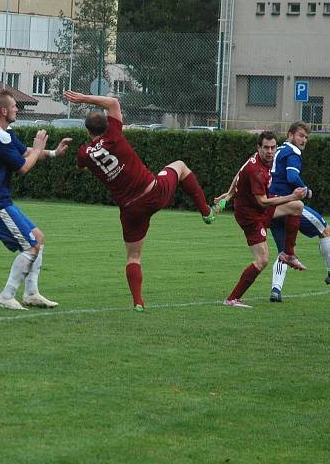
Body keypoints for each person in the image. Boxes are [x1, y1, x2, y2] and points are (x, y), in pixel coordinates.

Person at [62, 90, 216, 311]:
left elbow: (81, 166)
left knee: (134, 256)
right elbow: (113, 102)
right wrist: (84, 99)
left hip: (130, 209)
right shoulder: (114, 133)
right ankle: (206, 212)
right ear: (108, 124)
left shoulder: (84, 153)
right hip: (152, 193)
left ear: (87, 131)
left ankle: (138, 301)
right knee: (180, 165)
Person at [0, 90, 69, 310]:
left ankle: (31, 293)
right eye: (15, 106)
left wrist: (53, 153)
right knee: (31, 246)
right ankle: (6, 296)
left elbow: (24, 152)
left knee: (38, 238)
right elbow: (24, 166)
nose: (18, 109)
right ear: (3, 110)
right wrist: (38, 149)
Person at [214, 131, 308, 308]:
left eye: (273, 147)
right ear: (259, 148)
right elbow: (263, 201)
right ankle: (232, 299)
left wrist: (228, 194)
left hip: (259, 209)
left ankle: (288, 254)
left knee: (298, 206)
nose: (270, 151)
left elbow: (238, 175)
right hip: (250, 215)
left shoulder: (258, 159)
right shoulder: (256, 170)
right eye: (266, 148)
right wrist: (291, 195)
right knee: (263, 260)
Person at [266, 121, 330, 302]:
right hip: (289, 205)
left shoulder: (277, 150)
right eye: (301, 135)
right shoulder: (293, 152)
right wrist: (306, 189)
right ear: (290, 135)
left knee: (285, 252)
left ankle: (276, 290)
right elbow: (291, 176)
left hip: (272, 207)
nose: (304, 140)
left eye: (306, 137)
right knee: (325, 229)